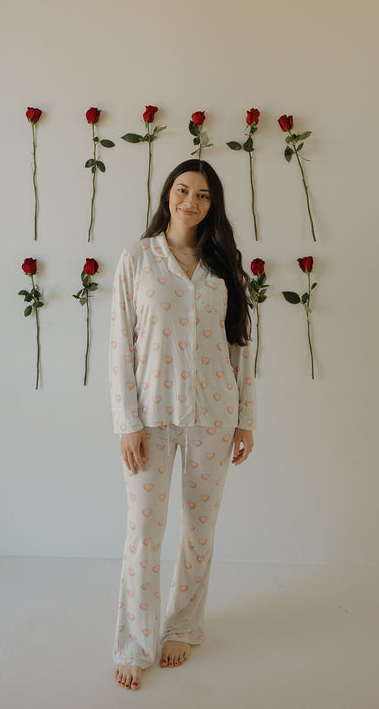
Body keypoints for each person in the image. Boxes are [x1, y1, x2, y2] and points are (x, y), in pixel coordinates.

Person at [109, 159, 257, 691]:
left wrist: (245, 420)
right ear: (167, 195)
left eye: (201, 194)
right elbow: (119, 347)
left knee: (199, 532)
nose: (189, 201)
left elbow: (241, 348)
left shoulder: (223, 269)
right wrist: (127, 422)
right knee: (143, 533)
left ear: (212, 204)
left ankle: (183, 628)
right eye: (181, 190)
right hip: (150, 420)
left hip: (214, 419)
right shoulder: (138, 259)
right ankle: (133, 642)